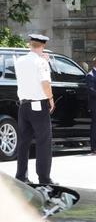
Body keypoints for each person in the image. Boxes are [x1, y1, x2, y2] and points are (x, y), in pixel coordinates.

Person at [14, 34, 55, 184]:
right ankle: (44, 178)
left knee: (24, 142)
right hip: (38, 104)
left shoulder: (19, 61)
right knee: (43, 142)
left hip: (23, 105)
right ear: (43, 46)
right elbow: (45, 83)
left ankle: (21, 176)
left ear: (30, 44)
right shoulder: (41, 62)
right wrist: (50, 99)